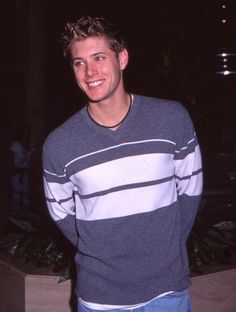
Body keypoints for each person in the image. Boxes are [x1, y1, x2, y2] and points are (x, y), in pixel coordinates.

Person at [42, 16, 203, 312]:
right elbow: (62, 214)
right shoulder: (59, 144)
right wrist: (102, 247)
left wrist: (163, 249)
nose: (89, 72)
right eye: (79, 62)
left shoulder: (171, 119)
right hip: (100, 297)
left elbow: (190, 192)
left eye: (99, 57)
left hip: (167, 290)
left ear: (123, 58)